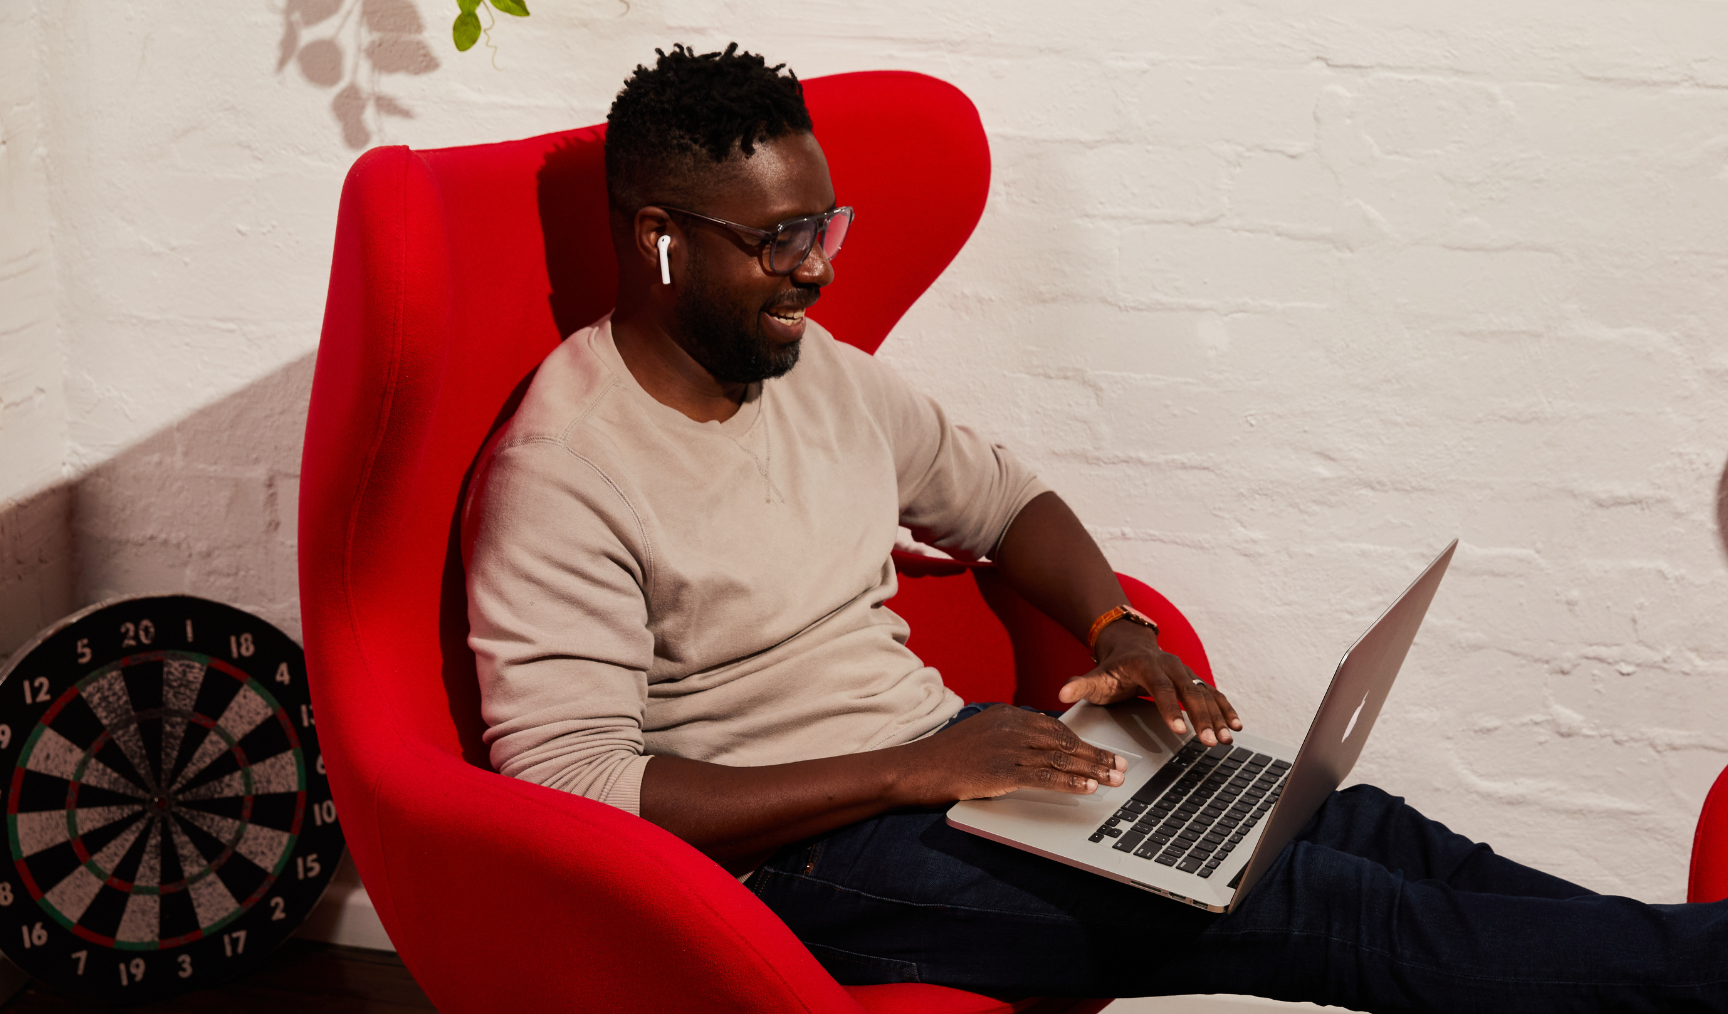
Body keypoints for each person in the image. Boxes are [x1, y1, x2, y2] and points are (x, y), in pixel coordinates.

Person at [462, 43, 1728, 1011]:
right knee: (1315, 904)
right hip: (791, 859)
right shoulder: (567, 469)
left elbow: (1010, 503)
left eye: (824, 225)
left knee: (1348, 823)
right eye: (779, 239)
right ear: (660, 239)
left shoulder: (819, 371)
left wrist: (1116, 624)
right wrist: (913, 771)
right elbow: (577, 786)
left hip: (946, 767)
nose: (819, 267)